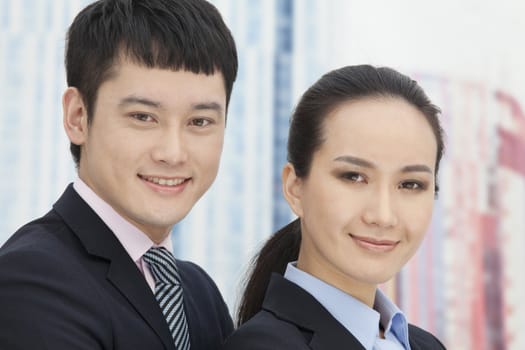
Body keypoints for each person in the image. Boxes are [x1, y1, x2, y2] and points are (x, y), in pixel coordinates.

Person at [0, 0, 237, 349]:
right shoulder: (32, 279)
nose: (173, 153)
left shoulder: (198, 293)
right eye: (143, 117)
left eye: (199, 122)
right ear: (78, 116)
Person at [223, 65, 447, 349]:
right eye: (353, 177)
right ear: (295, 187)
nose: (383, 216)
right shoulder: (264, 346)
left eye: (410, 184)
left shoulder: (425, 345)